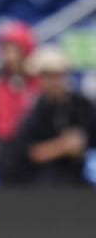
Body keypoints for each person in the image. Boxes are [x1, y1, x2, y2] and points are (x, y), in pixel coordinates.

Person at [16, 44, 96, 187]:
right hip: (44, 181)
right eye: (46, 76)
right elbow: (30, 153)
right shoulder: (35, 109)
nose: (52, 82)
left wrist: (80, 147)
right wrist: (63, 146)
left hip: (81, 179)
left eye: (57, 75)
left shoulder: (83, 105)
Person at [0, 20, 39, 186]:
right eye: (5, 49)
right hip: (5, 157)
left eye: (13, 49)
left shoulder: (38, 84)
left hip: (33, 155)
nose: (8, 55)